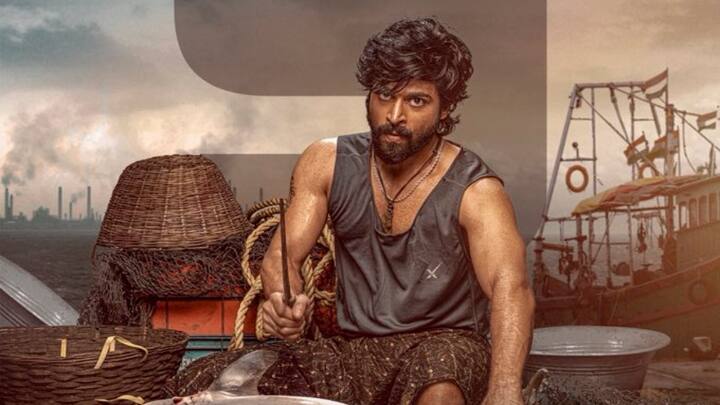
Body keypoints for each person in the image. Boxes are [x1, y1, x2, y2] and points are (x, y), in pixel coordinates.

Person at [259, 17, 535, 405]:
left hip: (445, 345)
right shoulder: (325, 162)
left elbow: (511, 287)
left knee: (440, 383)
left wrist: (504, 387)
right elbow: (282, 257)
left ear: (445, 109)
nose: (394, 115)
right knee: (233, 378)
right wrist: (284, 302)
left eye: (416, 101)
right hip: (355, 351)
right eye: (385, 95)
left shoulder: (476, 189)